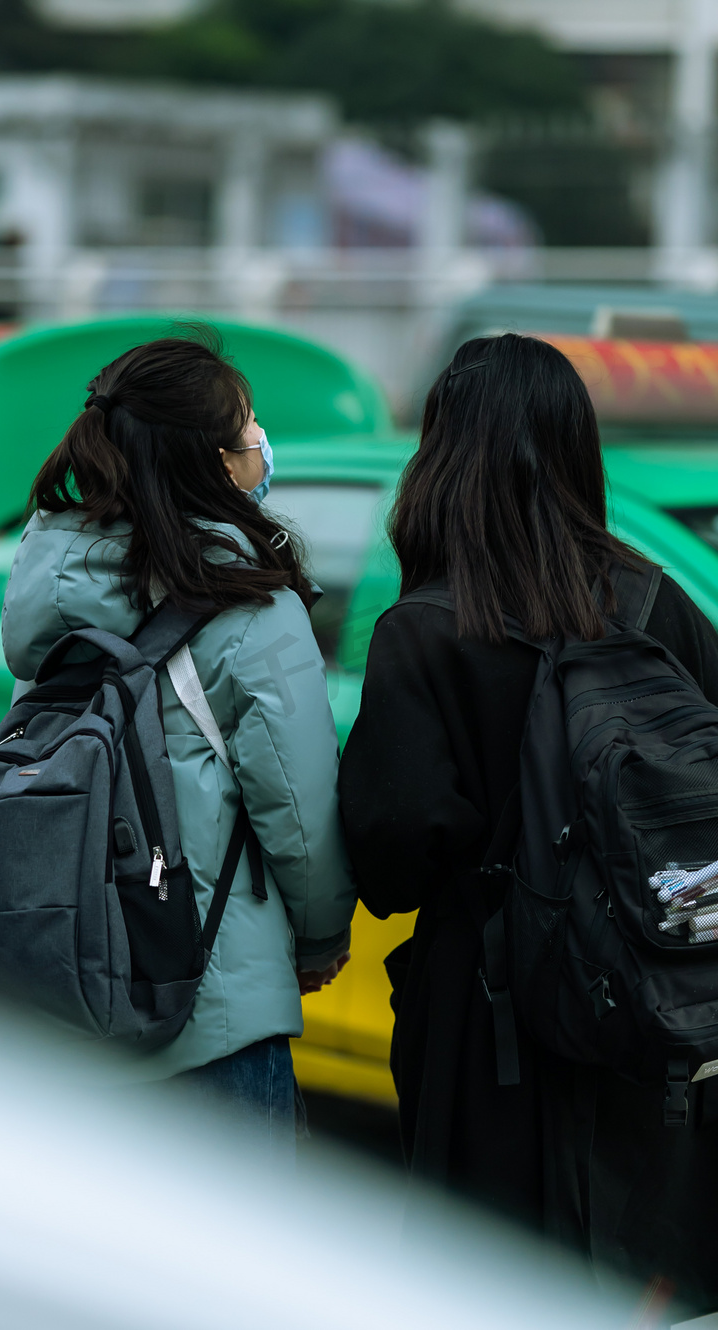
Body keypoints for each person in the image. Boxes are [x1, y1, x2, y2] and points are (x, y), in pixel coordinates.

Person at [338, 333, 718, 1306]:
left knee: (485, 1283)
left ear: (441, 454)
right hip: (641, 1000)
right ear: (571, 446)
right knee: (631, 1269)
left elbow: (392, 857)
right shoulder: (653, 600)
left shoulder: (422, 627)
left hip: (486, 1015)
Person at [1, 328, 355, 1152]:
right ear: (213, 462)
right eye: (250, 429)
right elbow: (298, 811)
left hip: (68, 988)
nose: (263, 446)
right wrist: (321, 935)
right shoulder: (248, 607)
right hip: (209, 1007)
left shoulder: (51, 596)